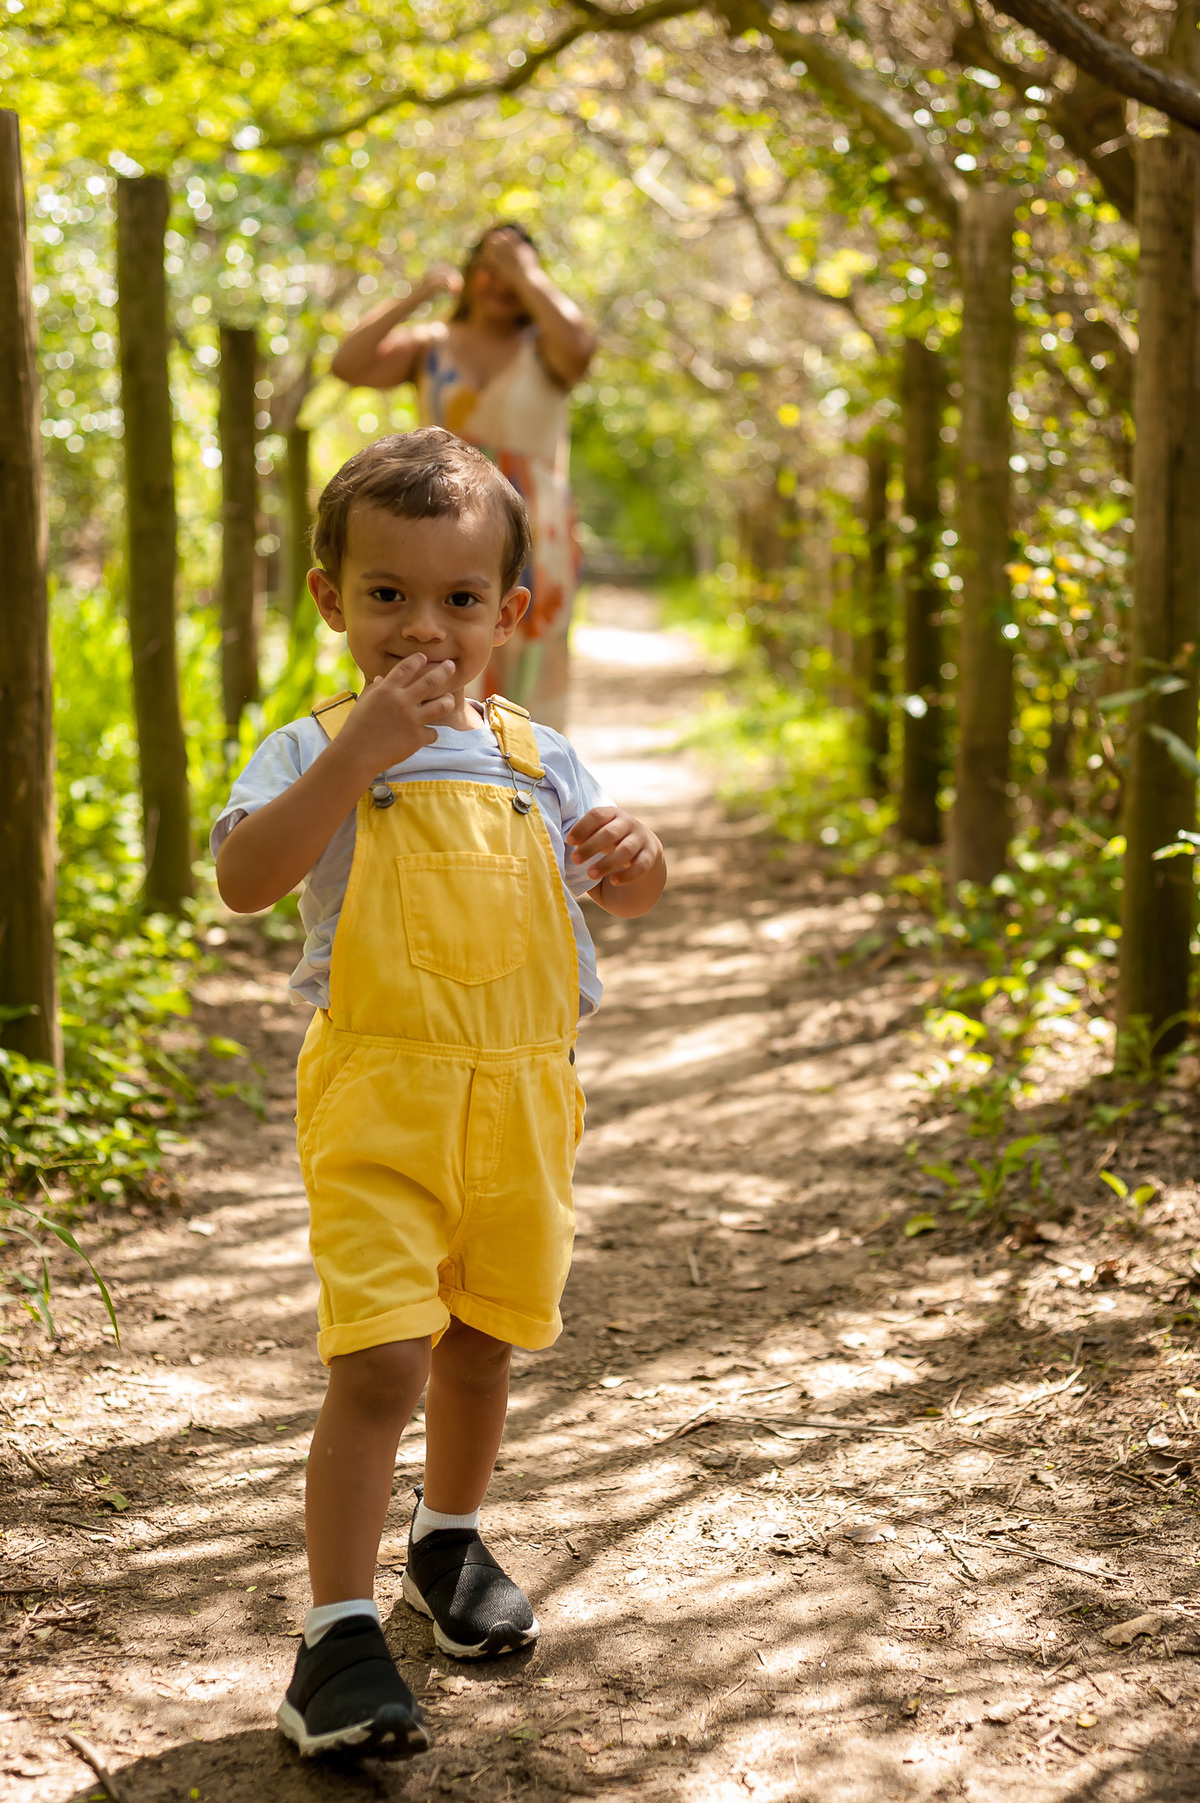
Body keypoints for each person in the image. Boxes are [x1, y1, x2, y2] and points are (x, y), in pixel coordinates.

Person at [211, 428, 665, 1760]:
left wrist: (637, 859)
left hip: (525, 1099)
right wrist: (355, 756)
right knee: (381, 1356)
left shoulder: (538, 758)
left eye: (460, 598)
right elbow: (246, 880)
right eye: (387, 594)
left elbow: (626, 894)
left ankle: (449, 1542)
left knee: (481, 1341)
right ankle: (335, 1634)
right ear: (330, 600)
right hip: (381, 1099)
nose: (423, 627)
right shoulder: (311, 746)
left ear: (507, 614)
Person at [331, 224, 595, 732]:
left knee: (532, 649)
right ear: (470, 273)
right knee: (440, 638)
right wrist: (419, 294)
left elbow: (582, 349)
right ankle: (434, 764)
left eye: (515, 270)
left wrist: (524, 270)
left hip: (537, 530)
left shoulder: (548, 349)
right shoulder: (432, 345)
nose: (502, 282)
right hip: (441, 521)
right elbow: (348, 364)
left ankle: (529, 770)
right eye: (490, 269)